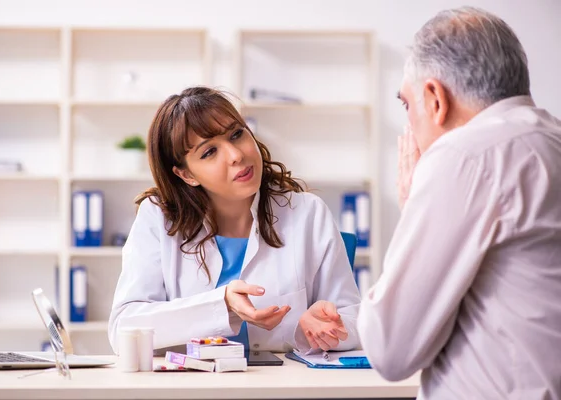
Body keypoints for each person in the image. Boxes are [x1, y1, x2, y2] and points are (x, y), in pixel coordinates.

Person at [356, 6, 561, 399]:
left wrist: (414, 206)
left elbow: (389, 350)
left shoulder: (465, 157)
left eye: (406, 104)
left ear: (435, 99)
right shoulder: (550, 141)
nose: (409, 125)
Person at [108, 86, 361, 354]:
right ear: (186, 175)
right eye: (209, 152)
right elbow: (123, 329)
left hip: (282, 388)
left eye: (237, 134)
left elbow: (353, 321)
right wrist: (222, 305)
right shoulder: (158, 218)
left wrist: (324, 328)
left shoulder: (308, 213)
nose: (236, 155)